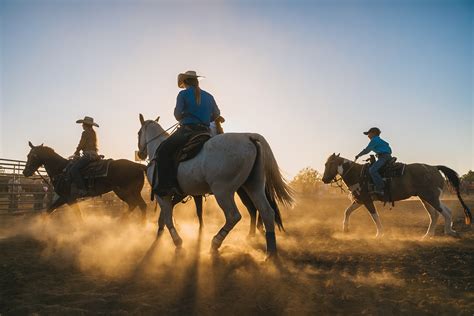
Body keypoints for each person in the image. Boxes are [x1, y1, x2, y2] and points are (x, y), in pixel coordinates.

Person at [155, 70, 221, 197]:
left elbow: (177, 115)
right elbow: (216, 114)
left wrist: (185, 115)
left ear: (185, 82)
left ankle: (166, 186)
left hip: (187, 131)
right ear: (196, 81)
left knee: (162, 150)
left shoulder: (183, 94)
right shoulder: (209, 96)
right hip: (205, 131)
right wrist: (206, 118)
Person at [355, 127, 392, 195]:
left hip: (383, 157)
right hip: (385, 156)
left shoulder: (374, 140)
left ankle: (380, 188)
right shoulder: (380, 141)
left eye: (369, 134)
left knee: (372, 170)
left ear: (373, 133)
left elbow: (367, 150)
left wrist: (358, 155)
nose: (368, 136)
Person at [69, 116, 100, 198]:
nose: (82, 125)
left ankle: (82, 189)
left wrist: (77, 151)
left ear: (85, 125)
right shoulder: (93, 132)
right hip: (95, 155)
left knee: (74, 169)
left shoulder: (85, 133)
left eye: (83, 124)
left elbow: (81, 144)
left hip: (88, 155)